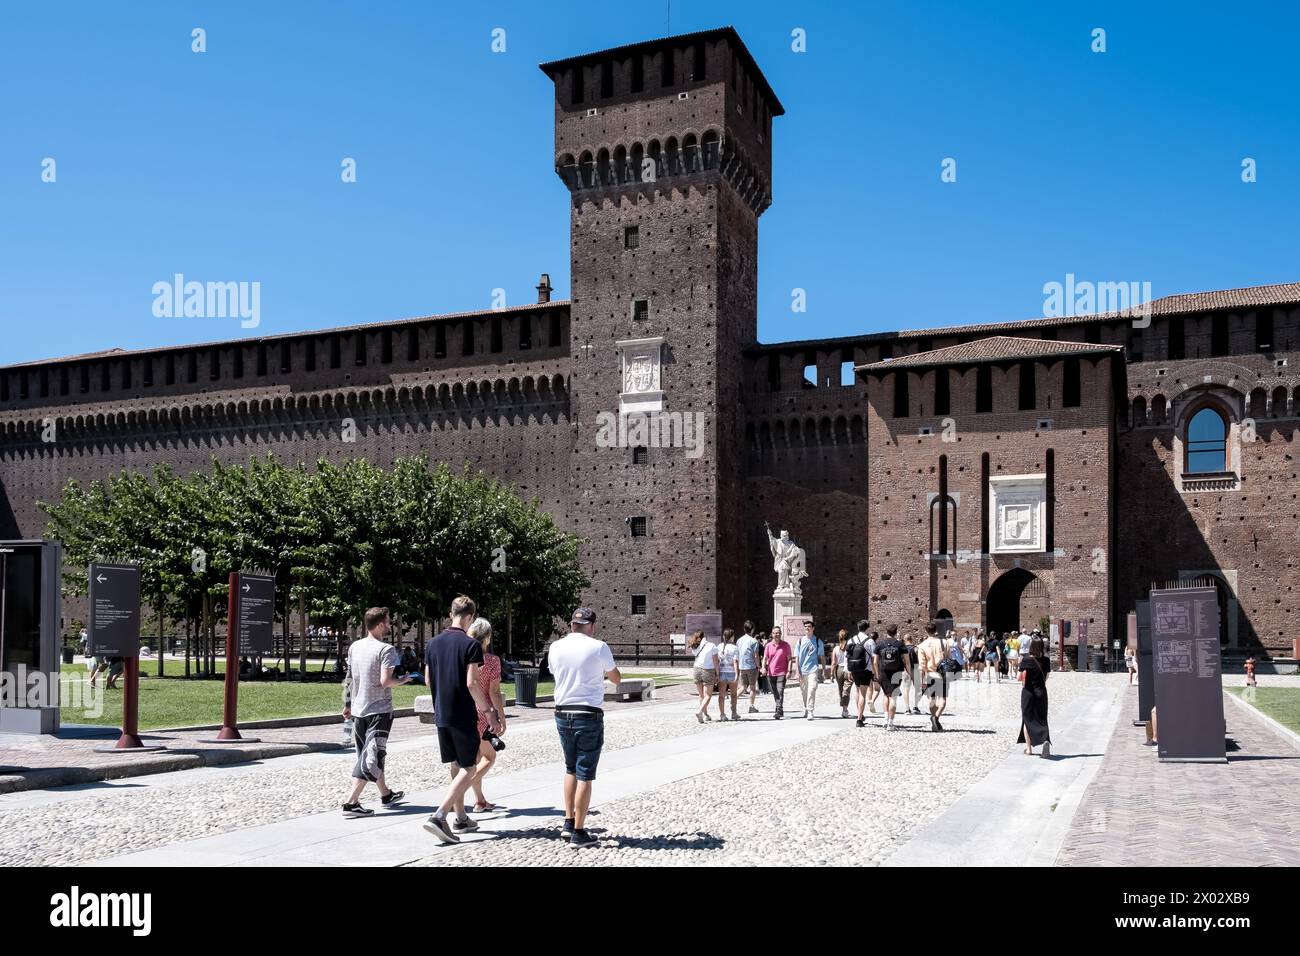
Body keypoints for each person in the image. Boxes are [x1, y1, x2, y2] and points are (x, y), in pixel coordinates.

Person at [422, 595, 502, 845]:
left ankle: (461, 817)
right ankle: (439, 816)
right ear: (470, 617)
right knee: (469, 768)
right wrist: (489, 712)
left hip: (441, 714)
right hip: (462, 714)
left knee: (456, 766)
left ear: (450, 613)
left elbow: (428, 680)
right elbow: (472, 683)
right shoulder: (470, 645)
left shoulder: (432, 643)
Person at [547, 607, 620, 849]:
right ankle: (579, 831)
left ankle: (568, 822)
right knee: (585, 773)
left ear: (571, 625)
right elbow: (616, 678)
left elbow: (554, 673)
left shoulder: (556, 647)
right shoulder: (598, 646)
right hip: (588, 714)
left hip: (562, 712)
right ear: (591, 626)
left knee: (570, 769)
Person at [341, 607, 412, 816]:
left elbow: (349, 678)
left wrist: (347, 704)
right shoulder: (386, 650)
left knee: (369, 752)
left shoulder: (355, 647)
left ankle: (385, 794)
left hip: (359, 709)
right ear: (380, 624)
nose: (390, 625)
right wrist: (403, 680)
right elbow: (386, 681)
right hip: (379, 710)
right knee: (372, 756)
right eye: (388, 622)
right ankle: (351, 802)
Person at [466, 618, 507, 813]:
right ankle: (458, 791)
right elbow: (494, 692)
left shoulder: (463, 658)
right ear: (487, 637)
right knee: (489, 757)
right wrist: (501, 717)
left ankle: (480, 800)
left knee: (475, 759)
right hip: (485, 713)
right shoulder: (491, 660)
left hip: (464, 711)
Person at [1017, 637, 1052, 757]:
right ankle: (1045, 740)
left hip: (1028, 693)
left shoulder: (1026, 659)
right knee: (1042, 718)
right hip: (1042, 692)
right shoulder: (1046, 660)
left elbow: (1018, 677)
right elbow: (1046, 677)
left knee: (1027, 719)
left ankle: (1028, 748)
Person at [917, 622, 951, 732]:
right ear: (936, 631)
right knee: (942, 700)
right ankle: (935, 718)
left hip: (929, 675)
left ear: (926, 631)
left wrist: (921, 681)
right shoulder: (944, 642)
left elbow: (921, 666)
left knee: (931, 699)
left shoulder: (921, 646)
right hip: (942, 674)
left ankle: (934, 721)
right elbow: (949, 658)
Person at [873, 625, 907, 731]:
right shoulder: (900, 644)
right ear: (896, 632)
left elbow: (875, 661)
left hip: (883, 673)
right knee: (893, 697)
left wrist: (877, 674)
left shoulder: (879, 644)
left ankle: (885, 719)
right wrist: (909, 672)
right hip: (896, 673)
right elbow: (906, 661)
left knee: (886, 695)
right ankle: (891, 723)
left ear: (886, 632)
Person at [846, 622, 876, 727]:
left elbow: (848, 656)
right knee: (863, 693)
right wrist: (875, 672)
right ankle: (859, 719)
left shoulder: (851, 640)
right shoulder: (870, 641)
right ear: (867, 629)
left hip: (854, 669)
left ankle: (860, 713)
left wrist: (849, 670)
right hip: (865, 669)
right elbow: (874, 658)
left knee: (857, 691)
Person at [795, 619, 825, 720]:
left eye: (809, 627)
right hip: (802, 670)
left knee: (812, 689)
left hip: (813, 669)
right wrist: (797, 671)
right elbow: (797, 657)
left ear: (813, 628)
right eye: (805, 627)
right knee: (804, 692)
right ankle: (806, 708)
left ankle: (810, 710)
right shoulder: (800, 641)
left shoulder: (817, 641)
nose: (807, 628)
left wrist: (823, 670)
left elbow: (822, 656)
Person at [762, 625, 791, 719]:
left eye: (778, 633)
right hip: (771, 673)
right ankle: (779, 709)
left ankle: (778, 710)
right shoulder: (768, 646)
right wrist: (763, 667)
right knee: (775, 692)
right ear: (772, 634)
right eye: (774, 633)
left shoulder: (786, 645)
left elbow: (789, 659)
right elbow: (765, 658)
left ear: (781, 634)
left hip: (782, 672)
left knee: (780, 691)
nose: (776, 635)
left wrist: (789, 671)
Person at [690, 630, 719, 723]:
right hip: (707, 670)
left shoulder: (695, 646)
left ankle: (705, 715)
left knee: (701, 694)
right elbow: (715, 662)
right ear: (704, 636)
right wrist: (717, 673)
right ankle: (700, 711)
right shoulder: (712, 645)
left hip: (696, 669)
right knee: (708, 695)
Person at [736, 621, 762, 714]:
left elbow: (738, 654)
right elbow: (756, 655)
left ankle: (733, 702)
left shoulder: (739, 640)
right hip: (751, 666)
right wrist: (758, 665)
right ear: (753, 629)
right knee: (752, 688)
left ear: (744, 629)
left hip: (742, 666)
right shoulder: (754, 641)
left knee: (743, 687)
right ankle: (751, 706)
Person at [717, 629, 740, 721]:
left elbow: (717, 661)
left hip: (722, 672)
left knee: (721, 695)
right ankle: (734, 713)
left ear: (723, 636)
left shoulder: (719, 646)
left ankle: (722, 714)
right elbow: (735, 661)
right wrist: (737, 674)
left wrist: (717, 673)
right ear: (732, 637)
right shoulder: (735, 648)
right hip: (731, 672)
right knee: (734, 694)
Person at [832, 629, 853, 719]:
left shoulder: (835, 649)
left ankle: (844, 708)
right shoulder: (851, 648)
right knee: (846, 690)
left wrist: (831, 675)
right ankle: (845, 709)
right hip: (848, 669)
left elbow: (833, 663)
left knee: (841, 689)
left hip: (839, 670)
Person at [901, 634, 921, 715]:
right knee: (917, 689)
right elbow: (920, 660)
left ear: (904, 640)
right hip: (915, 669)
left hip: (905, 670)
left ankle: (907, 708)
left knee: (906, 689)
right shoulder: (916, 648)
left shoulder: (902, 649)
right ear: (911, 639)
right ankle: (916, 707)